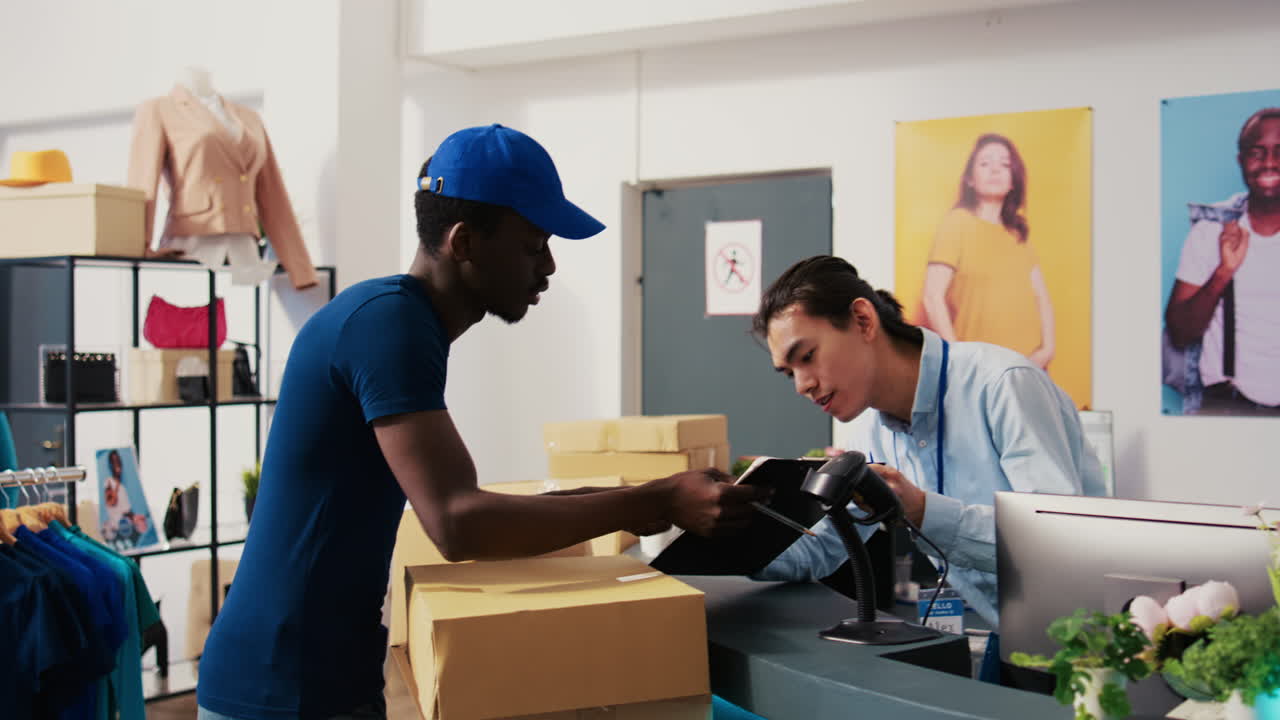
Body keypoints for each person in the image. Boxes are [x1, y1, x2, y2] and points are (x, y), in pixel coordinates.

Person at [195, 124, 764, 720]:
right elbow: (458, 522)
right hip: (281, 688)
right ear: (463, 243)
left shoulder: (394, 318)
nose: (547, 265)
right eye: (532, 243)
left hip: (318, 674)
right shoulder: (388, 325)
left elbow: (464, 505)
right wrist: (654, 498)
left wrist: (646, 499)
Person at [751, 255, 1104, 627]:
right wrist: (727, 539)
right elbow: (825, 547)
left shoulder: (1003, 384)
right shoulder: (875, 433)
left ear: (862, 321)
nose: (802, 384)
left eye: (807, 356)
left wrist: (922, 510)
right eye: (789, 372)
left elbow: (1053, 542)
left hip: (1091, 646)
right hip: (1013, 641)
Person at [1164, 108, 1280, 415]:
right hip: (1225, 407)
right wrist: (1223, 271)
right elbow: (1179, 332)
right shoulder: (1210, 231)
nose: (1269, 162)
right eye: (1257, 152)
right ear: (1241, 161)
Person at [921, 134, 1056, 370]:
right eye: (985, 163)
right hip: (981, 370)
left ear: (1013, 179)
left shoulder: (1018, 233)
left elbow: (1041, 298)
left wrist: (1046, 350)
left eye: (1004, 164)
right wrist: (959, 359)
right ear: (970, 179)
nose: (995, 169)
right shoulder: (957, 223)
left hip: (1030, 368)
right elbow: (932, 297)